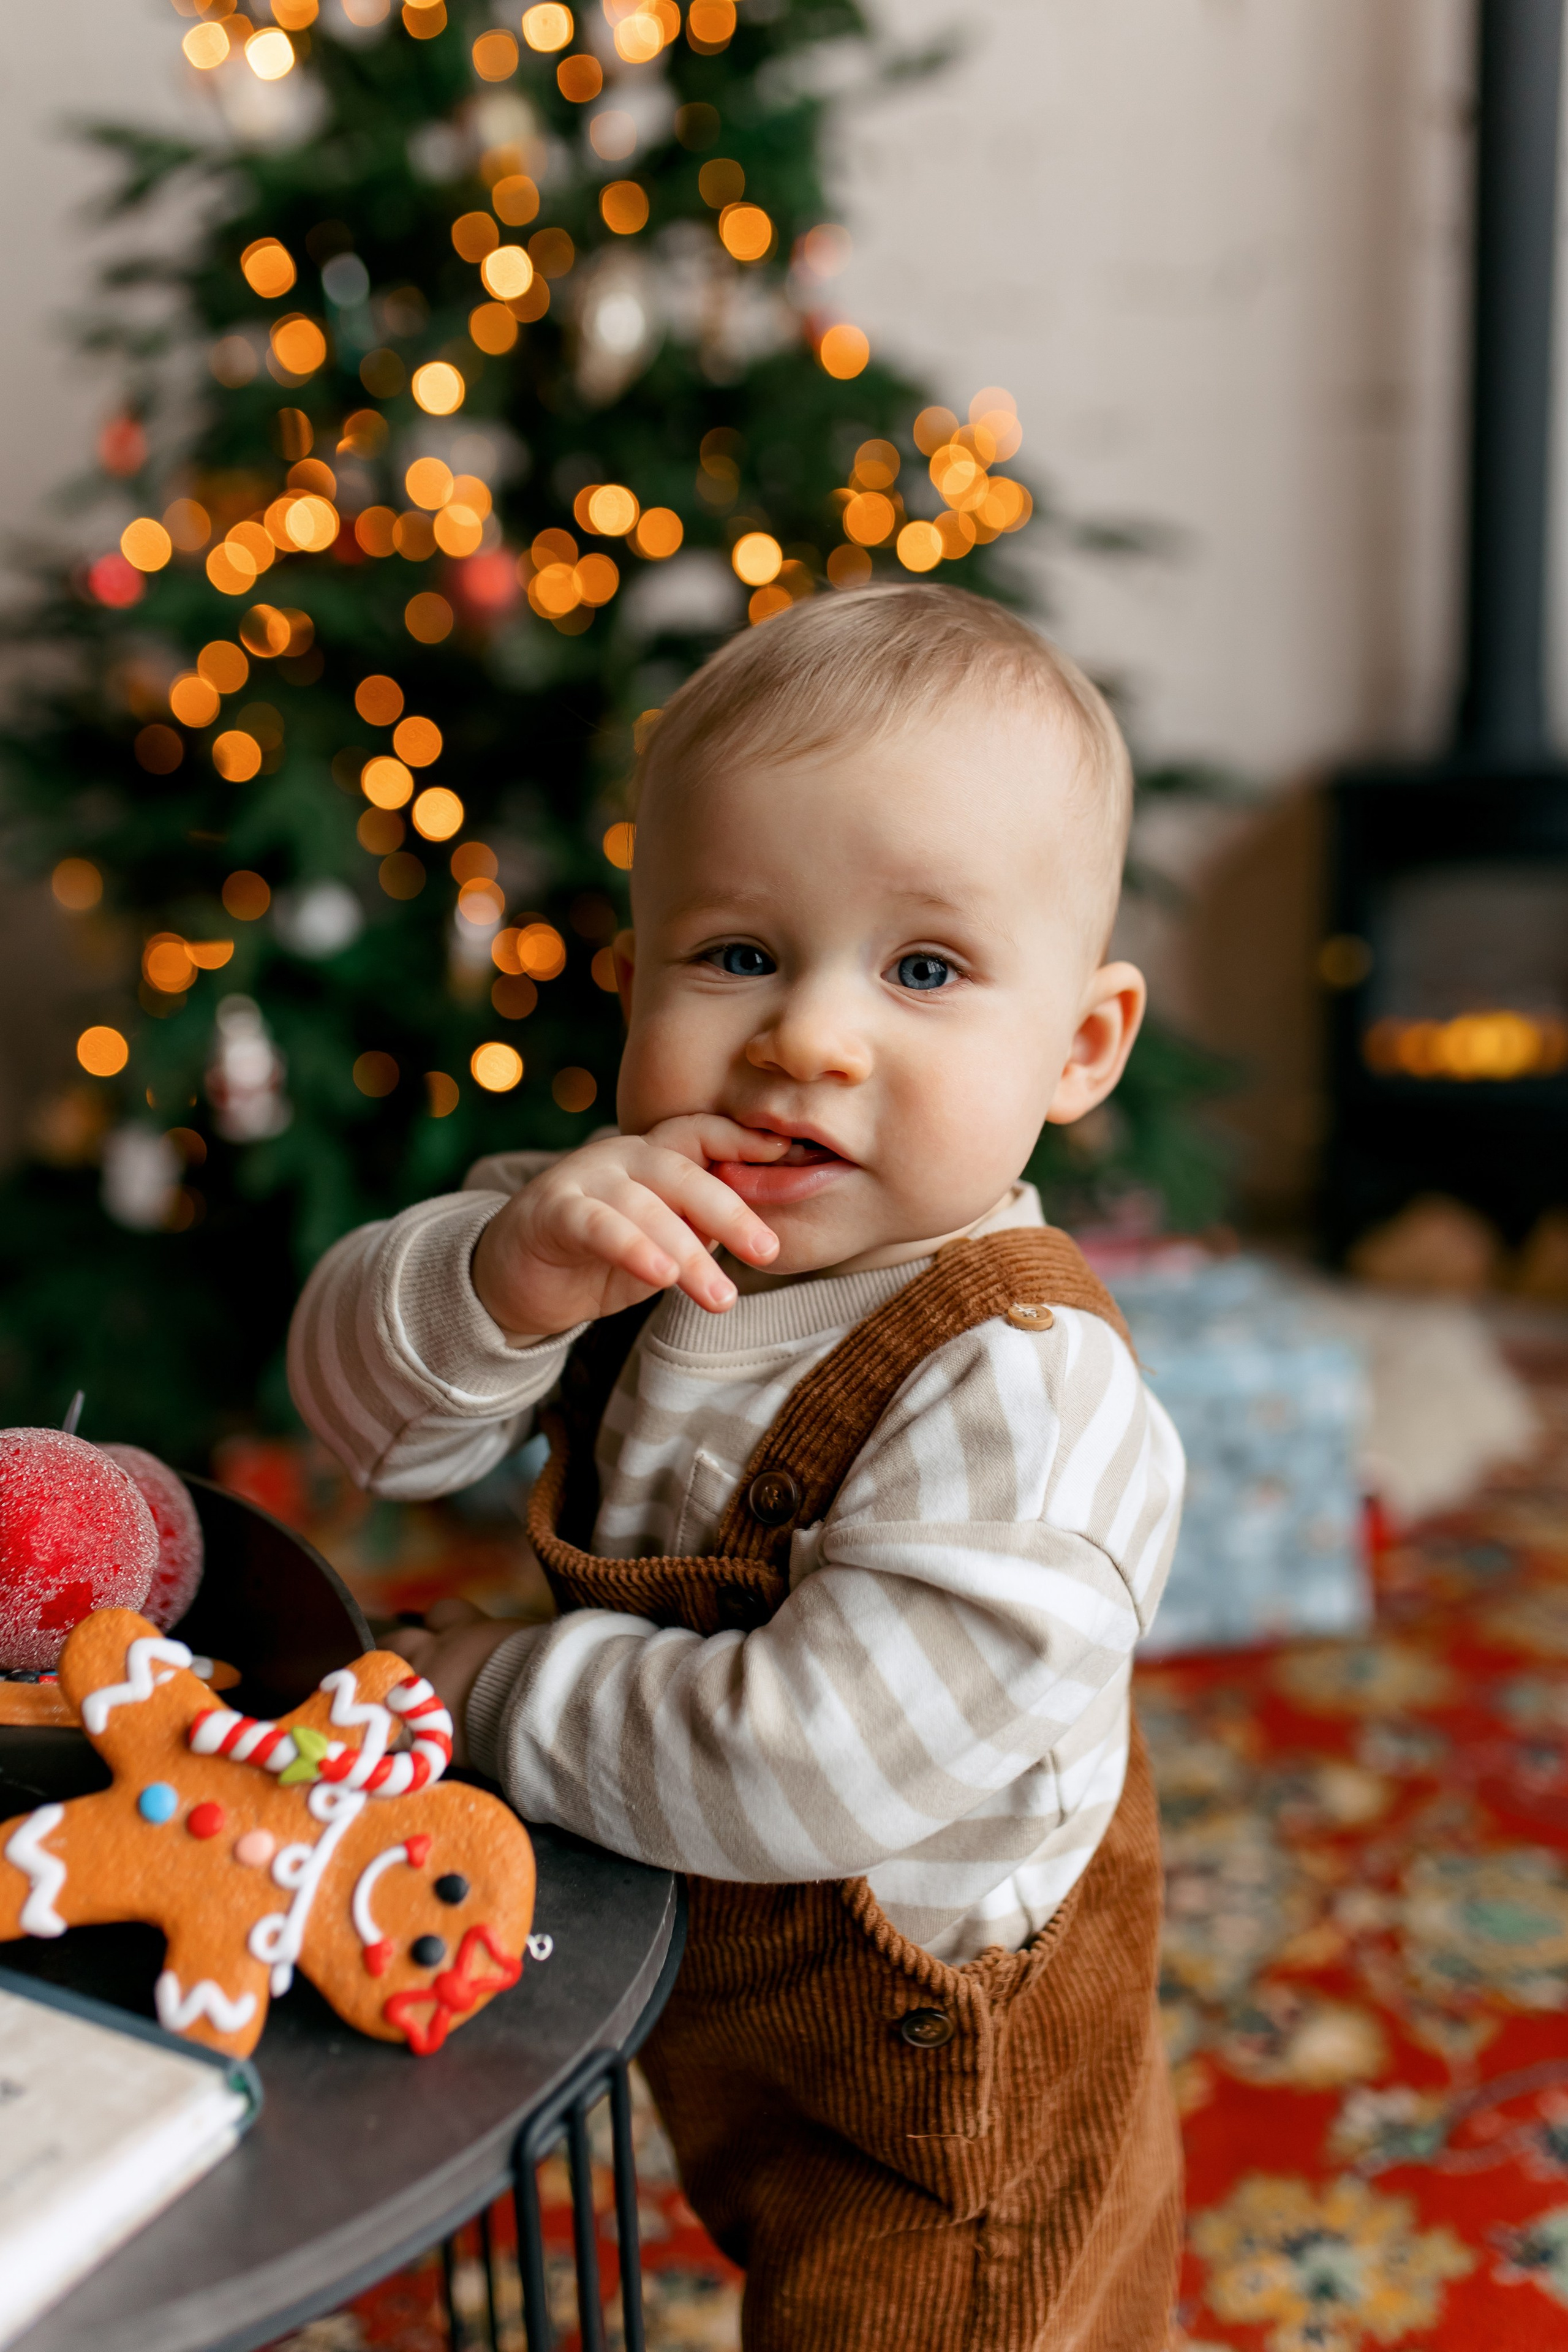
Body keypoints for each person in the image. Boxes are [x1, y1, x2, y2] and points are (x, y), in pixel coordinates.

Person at [288, 584, 1186, 2351]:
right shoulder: (620, 1219)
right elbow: (367, 1423)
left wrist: (493, 1690)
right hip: (737, 1998)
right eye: (740, 956)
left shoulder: (1025, 1393)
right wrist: (501, 1278)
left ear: (1078, 1046)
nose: (808, 1040)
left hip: (948, 2113)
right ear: (641, 978)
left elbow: (812, 1764)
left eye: (923, 971)